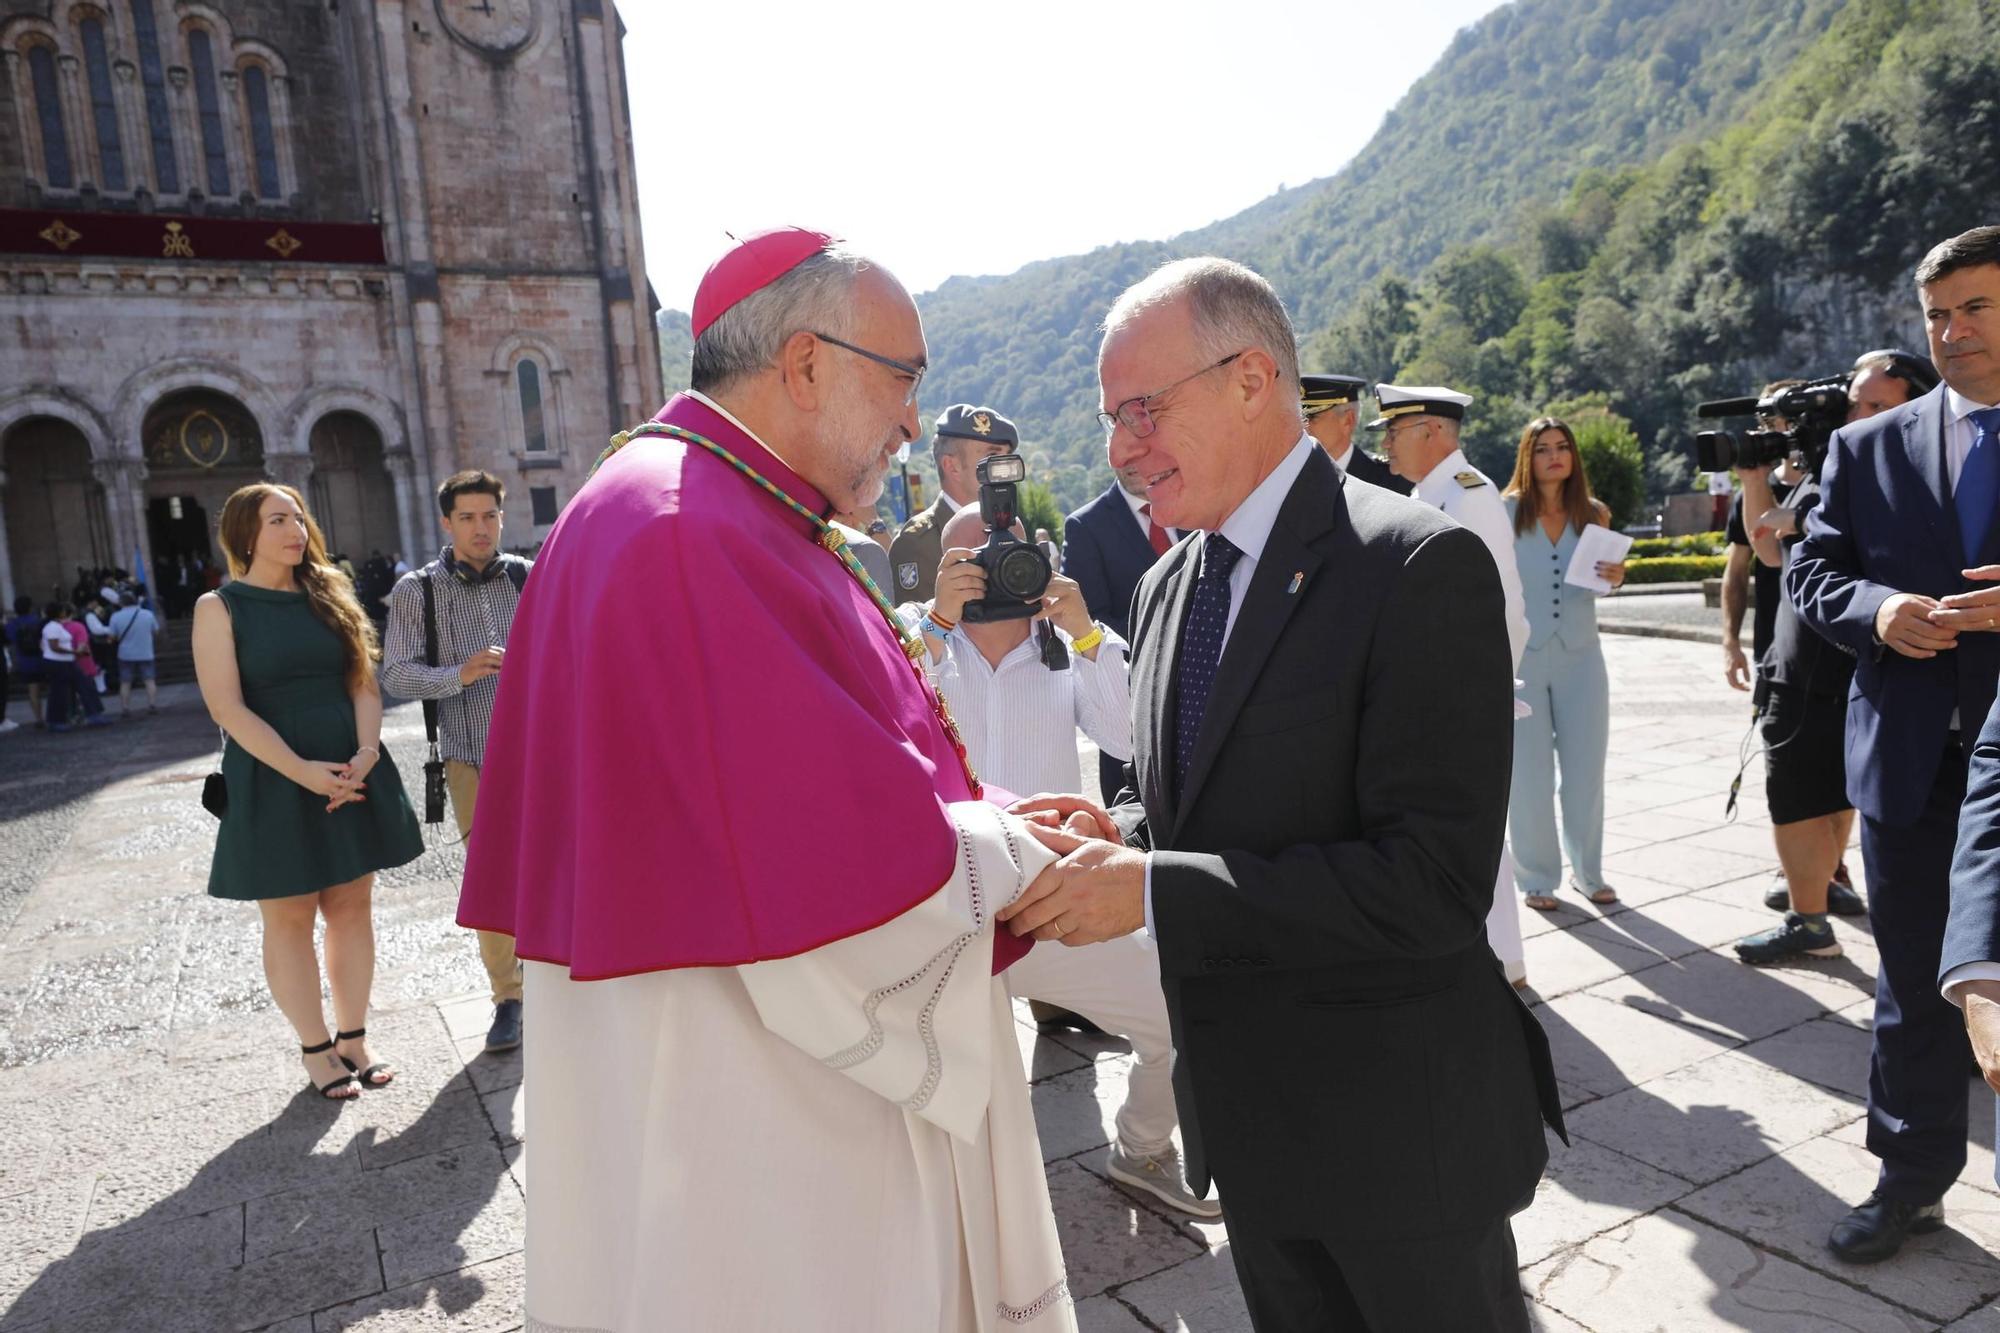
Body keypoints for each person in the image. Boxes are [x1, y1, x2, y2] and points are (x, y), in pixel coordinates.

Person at [455, 228, 1073, 1331]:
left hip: (724, 1071)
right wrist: (1020, 855)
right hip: (753, 1101)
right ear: (803, 364)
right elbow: (824, 864)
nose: (911, 423)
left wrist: (996, 815)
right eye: (903, 381)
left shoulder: (707, 503)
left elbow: (827, 773)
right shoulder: (689, 529)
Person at [1002, 257, 1560, 1330]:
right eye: (1111, 418)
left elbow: (1429, 882)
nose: (1121, 448)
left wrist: (1151, 887)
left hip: (1398, 1141)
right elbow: (1204, 814)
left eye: (1142, 410)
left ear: (1252, 377)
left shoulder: (1414, 563)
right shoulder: (1168, 583)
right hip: (1250, 1133)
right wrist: (1114, 831)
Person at [1789, 226, 2000, 1263]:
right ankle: (1909, 1180)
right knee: (1910, 982)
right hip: (1911, 762)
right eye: (1936, 315)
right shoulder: (1863, 445)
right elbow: (1811, 575)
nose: (1952, 332)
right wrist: (1875, 614)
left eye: (1974, 308)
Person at [922, 505, 1214, 1218]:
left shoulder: (1071, 641)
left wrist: (1085, 631)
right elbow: (877, 717)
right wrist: (936, 622)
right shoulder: (917, 636)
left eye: (1005, 553)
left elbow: (1125, 736)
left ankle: (1142, 1147)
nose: (992, 567)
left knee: (1182, 1018)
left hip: (1049, 900)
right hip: (941, 910)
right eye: (971, 557)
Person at [192, 483, 423, 1101]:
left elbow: (363, 681)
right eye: (277, 520)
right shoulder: (219, 607)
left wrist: (366, 757)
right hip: (274, 774)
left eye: (298, 518)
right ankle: (316, 1048)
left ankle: (354, 1037)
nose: (295, 530)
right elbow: (227, 708)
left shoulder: (330, 592)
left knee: (352, 908)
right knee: (290, 917)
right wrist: (303, 771)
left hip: (353, 767)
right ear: (246, 534)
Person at [1735, 354, 1932, 964]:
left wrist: (1806, 519)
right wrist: (1754, 480)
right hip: (1797, 669)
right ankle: (1810, 914)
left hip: (1872, 672)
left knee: (1846, 793)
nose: (1860, 418)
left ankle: (1821, 899)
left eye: (1878, 406)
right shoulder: (1833, 467)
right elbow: (1768, 555)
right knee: (1794, 795)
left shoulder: (1925, 476)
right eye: (1855, 405)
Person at [1372, 381, 1540, 986]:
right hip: (1438, 693)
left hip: (1463, 697)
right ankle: (1485, 957)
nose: (1386, 445)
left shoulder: (1468, 497)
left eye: (1394, 432)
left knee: (1477, 832)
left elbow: (1505, 608)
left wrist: (1478, 692)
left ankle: (1503, 965)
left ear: (1434, 432)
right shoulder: (1430, 494)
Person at [382, 471, 534, 1053]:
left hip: (537, 751)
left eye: (489, 516)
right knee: (493, 878)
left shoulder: (526, 576)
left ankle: (563, 977)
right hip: (470, 756)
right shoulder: (416, 591)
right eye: (467, 518)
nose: (480, 528)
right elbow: (394, 674)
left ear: (502, 516)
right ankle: (509, 998)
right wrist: (458, 673)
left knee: (555, 861)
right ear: (446, 523)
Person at [1502, 416, 1625, 912]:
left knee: (1585, 770)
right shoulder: (1504, 512)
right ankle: (1536, 878)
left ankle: (1589, 871)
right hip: (1523, 660)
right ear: (1526, 459)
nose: (1554, 456)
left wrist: (1616, 576)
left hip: (1582, 657)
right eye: (1542, 449)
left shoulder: (1594, 514)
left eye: (1562, 447)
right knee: (1527, 774)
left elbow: (1604, 580)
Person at [1063, 455, 1178, 802]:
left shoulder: (1196, 510)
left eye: (1143, 451)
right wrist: (1169, 644)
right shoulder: (1086, 525)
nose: (1131, 461)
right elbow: (1087, 618)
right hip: (1131, 706)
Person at [889, 403, 1019, 605]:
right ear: (952, 466)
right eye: (992, 457)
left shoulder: (1012, 528)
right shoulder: (916, 543)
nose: (1004, 468)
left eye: (1007, 457)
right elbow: (918, 632)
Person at [1300, 373, 1411, 494]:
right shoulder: (1291, 476)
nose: (1302, 426)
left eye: (1311, 417)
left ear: (1348, 420)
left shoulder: (1392, 481)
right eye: (1299, 418)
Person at [42, 603, 109, 732]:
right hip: (58, 662)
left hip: (67, 661)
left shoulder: (56, 626)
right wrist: (74, 652)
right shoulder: (52, 628)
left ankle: (93, 714)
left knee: (83, 685)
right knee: (59, 691)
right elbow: (54, 647)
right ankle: (56, 720)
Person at [109, 596, 163, 716]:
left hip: (125, 654)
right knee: (149, 680)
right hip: (145, 652)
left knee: (125, 682)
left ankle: (125, 707)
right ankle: (152, 704)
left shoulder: (116, 616)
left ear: (121, 603)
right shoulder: (148, 614)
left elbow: (112, 636)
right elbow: (156, 631)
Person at [7, 596, 46, 727]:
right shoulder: (37, 620)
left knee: (33, 691)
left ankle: (38, 718)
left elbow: (11, 640)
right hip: (42, 658)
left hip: (25, 660)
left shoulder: (12, 624)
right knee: (53, 687)